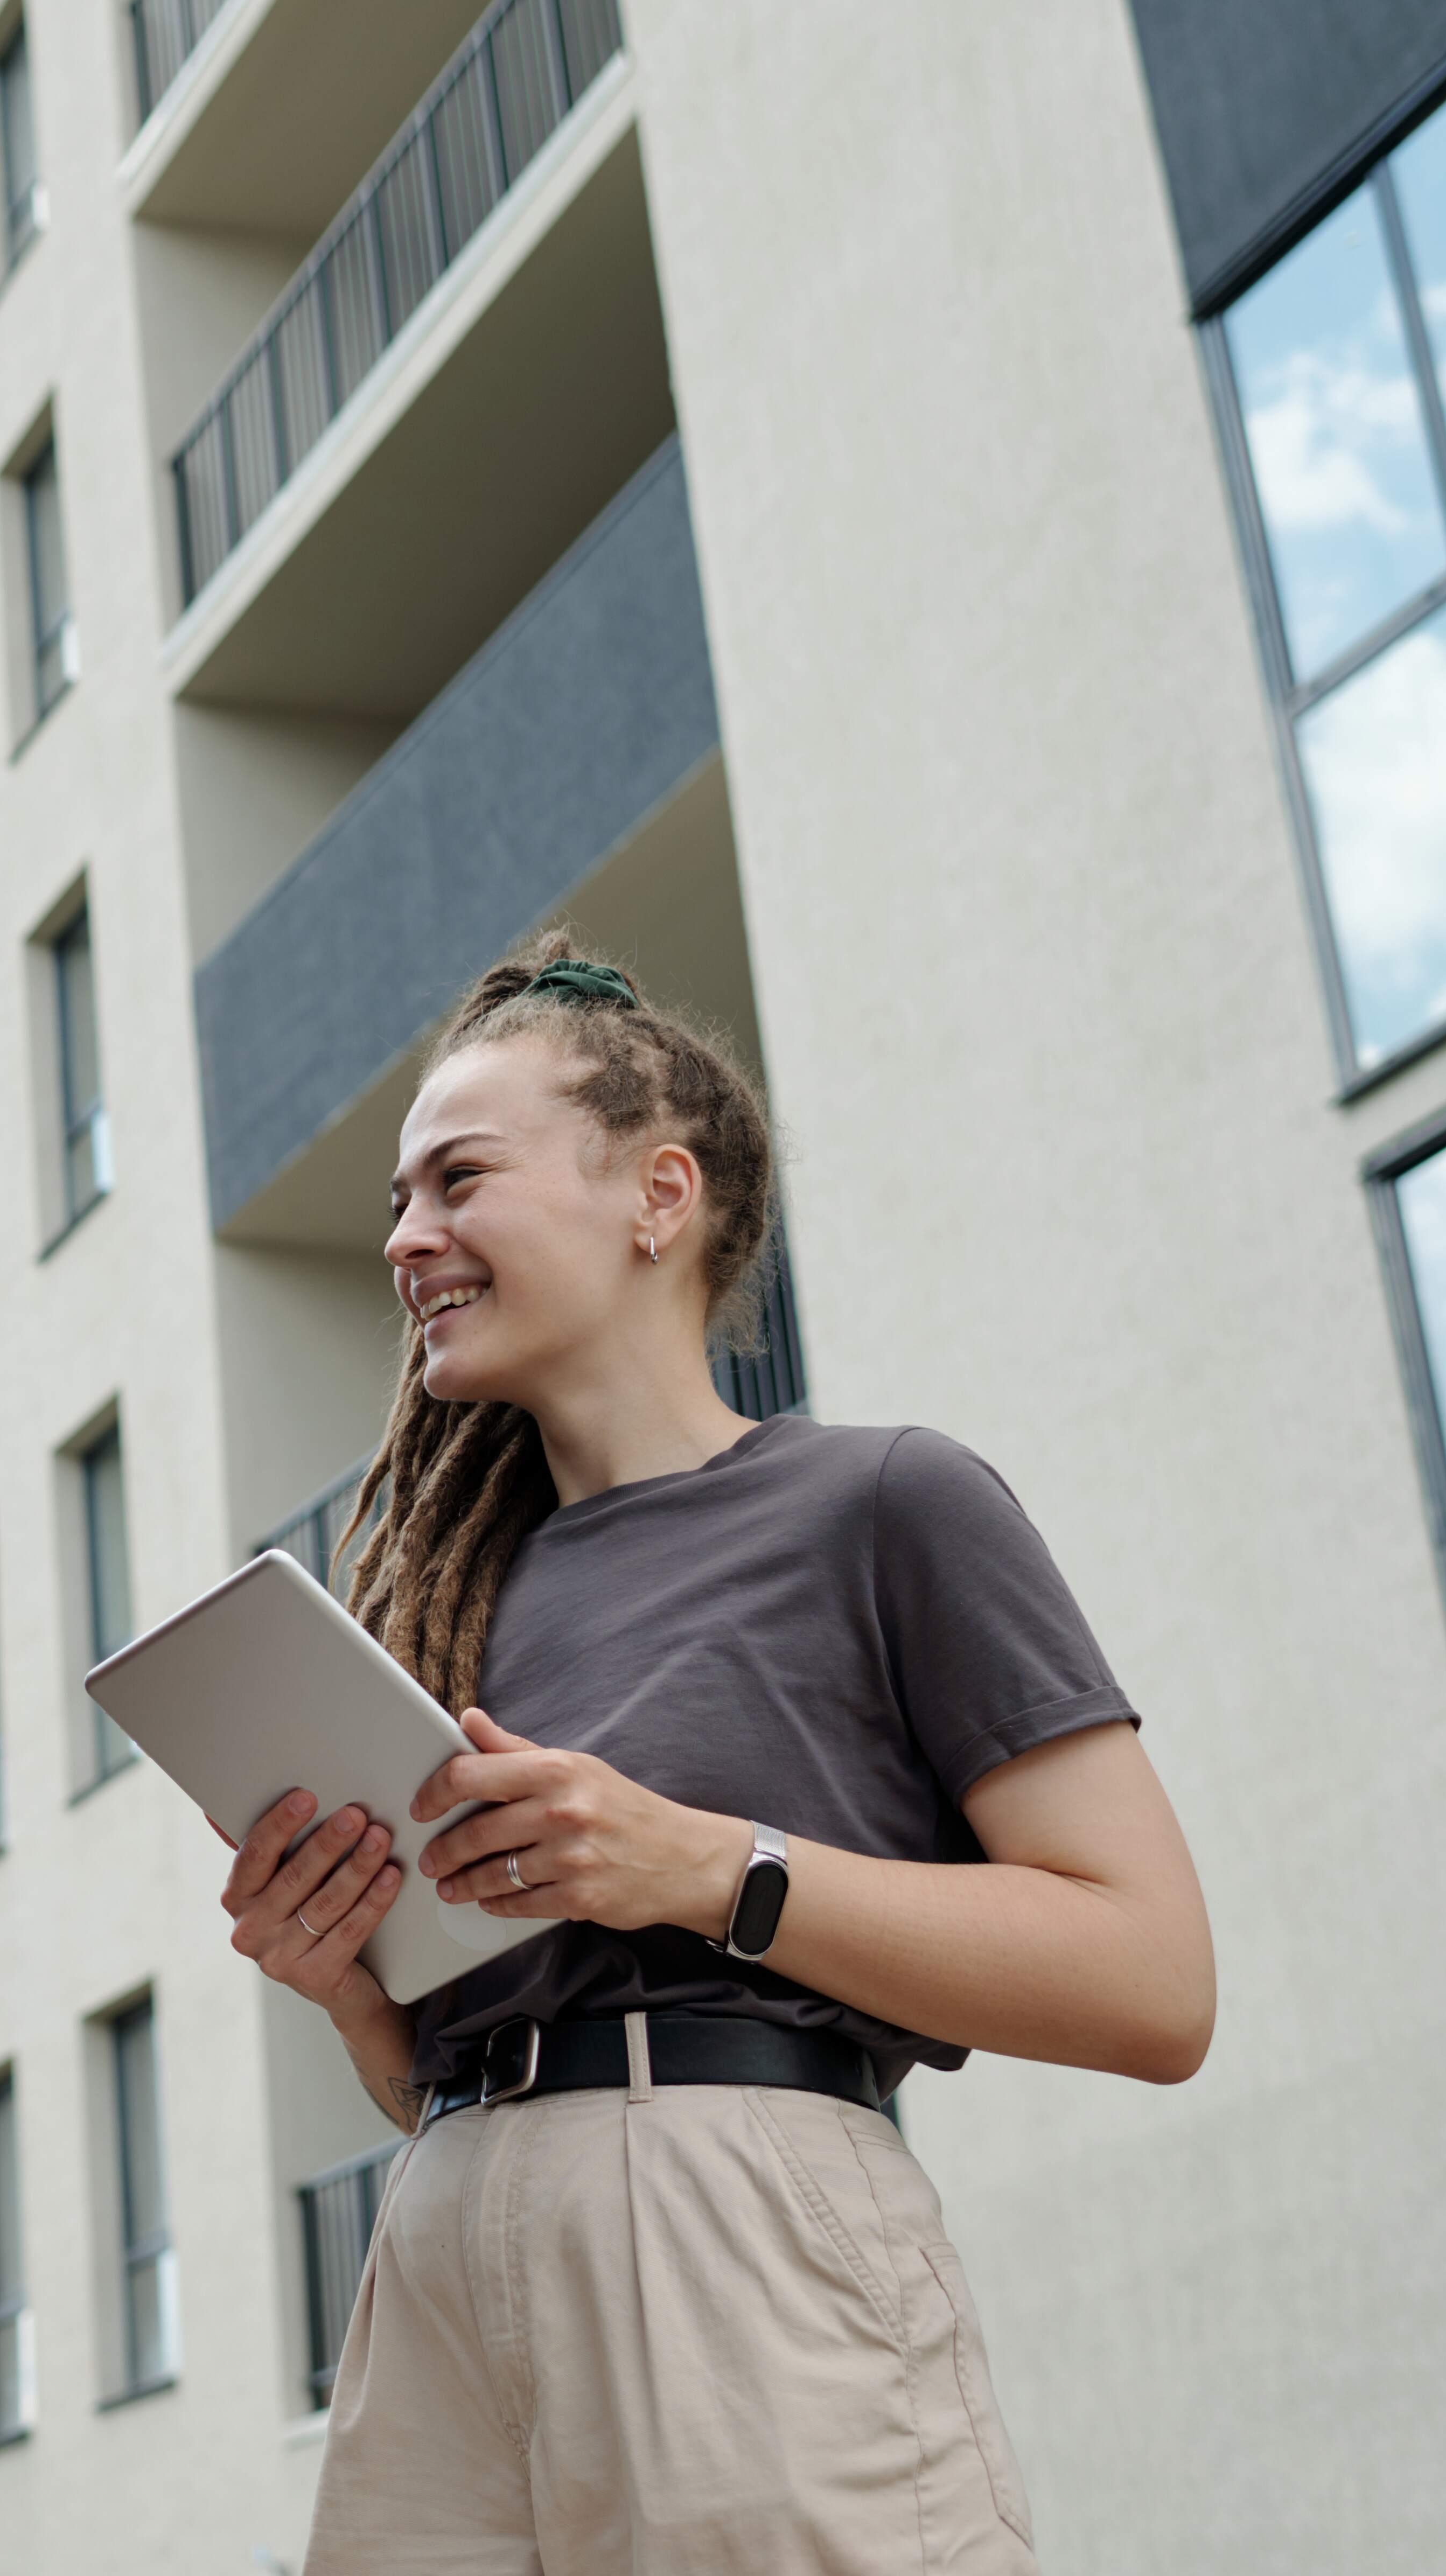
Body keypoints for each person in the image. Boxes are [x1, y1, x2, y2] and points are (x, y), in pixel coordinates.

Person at [218, 934, 1213, 2573]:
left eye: (458, 1180)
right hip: (445, 2256)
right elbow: (436, 2080)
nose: (406, 1240)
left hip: (741, 2240)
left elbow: (1156, 1980)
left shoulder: (888, 1504)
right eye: (397, 1202)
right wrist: (349, 1984)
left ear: (656, 1196)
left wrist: (710, 1870)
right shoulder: (446, 1602)